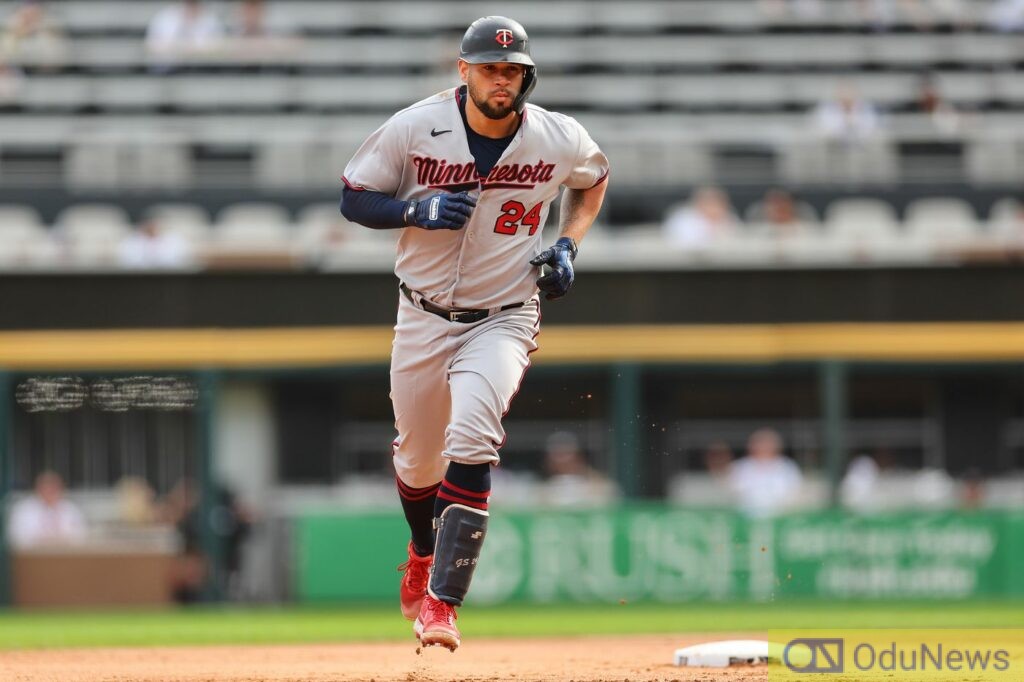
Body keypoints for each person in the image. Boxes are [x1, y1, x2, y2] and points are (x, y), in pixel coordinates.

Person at [339, 16, 609, 651]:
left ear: (528, 76)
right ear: (464, 71)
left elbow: (594, 180)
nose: (502, 79)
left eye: (513, 71)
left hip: (505, 314)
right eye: (490, 68)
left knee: (474, 434)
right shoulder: (414, 126)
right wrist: (411, 209)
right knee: (416, 458)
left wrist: (567, 243)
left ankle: (443, 605)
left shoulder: (557, 136)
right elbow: (353, 196)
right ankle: (423, 551)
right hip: (423, 313)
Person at [727, 428, 803, 517]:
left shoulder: (788, 466)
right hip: (746, 515)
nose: (764, 447)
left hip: (780, 515)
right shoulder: (739, 467)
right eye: (759, 443)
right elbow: (734, 493)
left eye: (768, 443)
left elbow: (794, 491)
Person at [6, 470, 87, 549]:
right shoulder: (23, 509)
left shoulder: (71, 509)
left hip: (65, 556)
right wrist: (42, 540)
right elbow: (16, 537)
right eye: (46, 487)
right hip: (34, 556)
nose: (50, 491)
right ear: (38, 488)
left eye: (54, 488)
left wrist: (59, 540)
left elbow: (81, 536)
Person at [538, 431, 619, 507]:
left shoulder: (599, 485)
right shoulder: (540, 489)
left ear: (578, 457)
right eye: (557, 455)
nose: (563, 462)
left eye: (566, 454)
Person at [145, 0, 224, 70]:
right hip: (169, 68)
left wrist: (195, 50)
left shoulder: (211, 19)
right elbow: (152, 45)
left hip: (201, 68)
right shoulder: (164, 18)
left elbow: (220, 47)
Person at [662, 186, 738, 248]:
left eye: (718, 203)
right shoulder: (683, 219)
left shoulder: (730, 218)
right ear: (699, 203)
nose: (714, 208)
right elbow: (685, 244)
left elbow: (736, 241)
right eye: (709, 203)